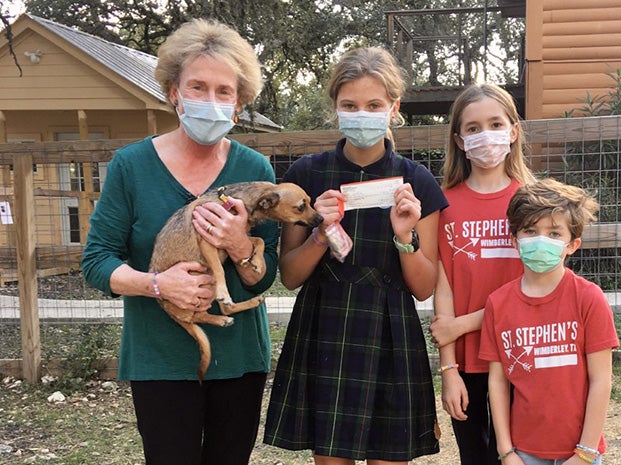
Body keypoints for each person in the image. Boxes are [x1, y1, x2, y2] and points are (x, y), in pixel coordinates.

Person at [81, 19, 277, 465]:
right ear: (173, 91)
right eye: (197, 87)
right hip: (159, 359)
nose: (211, 102)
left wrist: (241, 247)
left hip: (239, 358)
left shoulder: (256, 170)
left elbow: (263, 281)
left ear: (239, 101)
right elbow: (96, 261)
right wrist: (158, 284)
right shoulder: (131, 166)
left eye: (224, 92)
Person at [263, 46, 447, 464]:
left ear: (393, 108)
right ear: (335, 109)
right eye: (350, 105)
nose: (361, 113)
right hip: (326, 326)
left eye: (373, 105)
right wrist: (319, 236)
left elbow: (423, 287)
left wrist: (406, 238)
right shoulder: (307, 175)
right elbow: (289, 276)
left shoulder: (417, 181)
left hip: (391, 333)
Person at [478, 178, 619, 465]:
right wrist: (506, 452)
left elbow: (601, 380)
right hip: (524, 452)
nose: (541, 240)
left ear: (572, 244)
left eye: (554, 233)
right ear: (515, 240)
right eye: (531, 230)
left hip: (580, 451)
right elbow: (498, 381)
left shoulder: (589, 299)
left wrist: (586, 452)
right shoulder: (498, 303)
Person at [432, 83, 536, 465]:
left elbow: (537, 292)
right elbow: (443, 294)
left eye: (495, 123)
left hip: (524, 356)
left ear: (513, 131)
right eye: (473, 128)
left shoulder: (533, 204)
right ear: (459, 140)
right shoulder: (442, 205)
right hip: (467, 365)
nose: (485, 135)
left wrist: (463, 325)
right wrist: (448, 369)